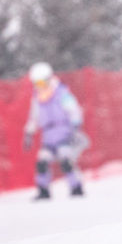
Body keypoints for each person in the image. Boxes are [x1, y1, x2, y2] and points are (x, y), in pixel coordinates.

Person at [23, 62, 88, 200]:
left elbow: (73, 110)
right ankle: (43, 190)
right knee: (42, 161)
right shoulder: (37, 98)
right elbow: (34, 117)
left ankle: (76, 187)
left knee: (66, 160)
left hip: (64, 132)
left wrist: (76, 126)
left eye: (41, 83)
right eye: (36, 84)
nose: (39, 87)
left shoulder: (61, 94)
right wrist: (29, 132)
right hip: (48, 136)